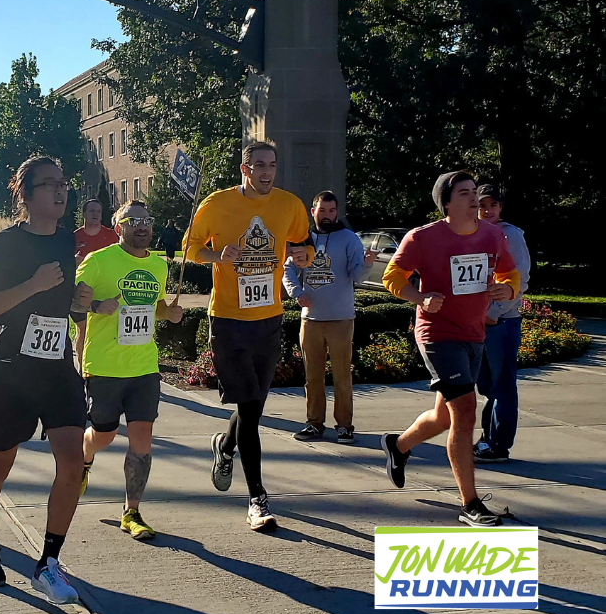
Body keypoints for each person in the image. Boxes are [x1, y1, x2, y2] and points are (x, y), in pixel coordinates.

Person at [0, 156, 92, 604]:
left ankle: (49, 563)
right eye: (49, 185)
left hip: (57, 367)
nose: (61, 192)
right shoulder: (4, 244)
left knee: (72, 464)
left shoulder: (65, 242)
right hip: (10, 371)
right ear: (25, 192)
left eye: (64, 184)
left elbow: (63, 308)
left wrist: (81, 301)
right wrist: (33, 286)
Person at [184, 141, 313, 531]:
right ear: (245, 169)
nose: (267, 172)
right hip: (228, 320)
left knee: (251, 407)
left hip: (269, 320)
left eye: (272, 165)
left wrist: (302, 254)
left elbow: (302, 244)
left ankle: (224, 447)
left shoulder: (289, 204)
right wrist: (216, 256)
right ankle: (257, 498)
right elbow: (189, 249)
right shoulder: (217, 203)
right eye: (259, 165)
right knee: (252, 410)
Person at [381, 171, 520, 527]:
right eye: (464, 193)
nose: (474, 199)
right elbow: (393, 277)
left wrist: (508, 290)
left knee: (444, 417)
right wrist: (421, 297)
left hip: (474, 334)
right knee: (467, 412)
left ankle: (397, 446)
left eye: (475, 192)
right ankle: (470, 503)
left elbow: (510, 273)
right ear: (446, 202)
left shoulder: (492, 235)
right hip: (437, 335)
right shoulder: (423, 238)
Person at [76, 200, 183, 540]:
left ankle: (131, 511)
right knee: (104, 435)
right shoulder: (99, 261)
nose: (142, 226)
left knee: (142, 438)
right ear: (118, 225)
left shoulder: (158, 265)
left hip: (143, 367)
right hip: (105, 366)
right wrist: (95, 305)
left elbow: (158, 308)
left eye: (147, 220)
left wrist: (171, 313)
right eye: (133, 220)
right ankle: (85, 455)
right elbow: (68, 298)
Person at [284, 191, 377, 444]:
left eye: (332, 211)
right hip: (310, 319)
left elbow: (357, 276)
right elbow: (287, 269)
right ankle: (314, 424)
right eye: (322, 210)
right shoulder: (302, 238)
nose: (327, 216)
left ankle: (344, 426)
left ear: (337, 212)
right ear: (312, 211)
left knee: (341, 376)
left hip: (341, 319)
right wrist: (297, 293)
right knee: (312, 377)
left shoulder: (349, 239)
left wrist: (367, 263)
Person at [474, 184, 531, 463]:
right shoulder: (472, 233)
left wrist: (495, 312)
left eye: (492, 205)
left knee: (503, 385)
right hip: (477, 323)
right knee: (486, 385)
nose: (487, 210)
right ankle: (487, 438)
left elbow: (521, 280)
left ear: (500, 208)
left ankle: (499, 445)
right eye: (482, 204)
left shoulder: (511, 235)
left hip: (502, 322)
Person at [73, 199, 118, 359]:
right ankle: (82, 369)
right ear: (84, 214)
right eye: (92, 211)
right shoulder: (75, 237)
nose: (95, 214)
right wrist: (74, 261)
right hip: (81, 292)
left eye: (98, 212)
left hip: (105, 289)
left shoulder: (111, 236)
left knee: (103, 330)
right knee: (83, 329)